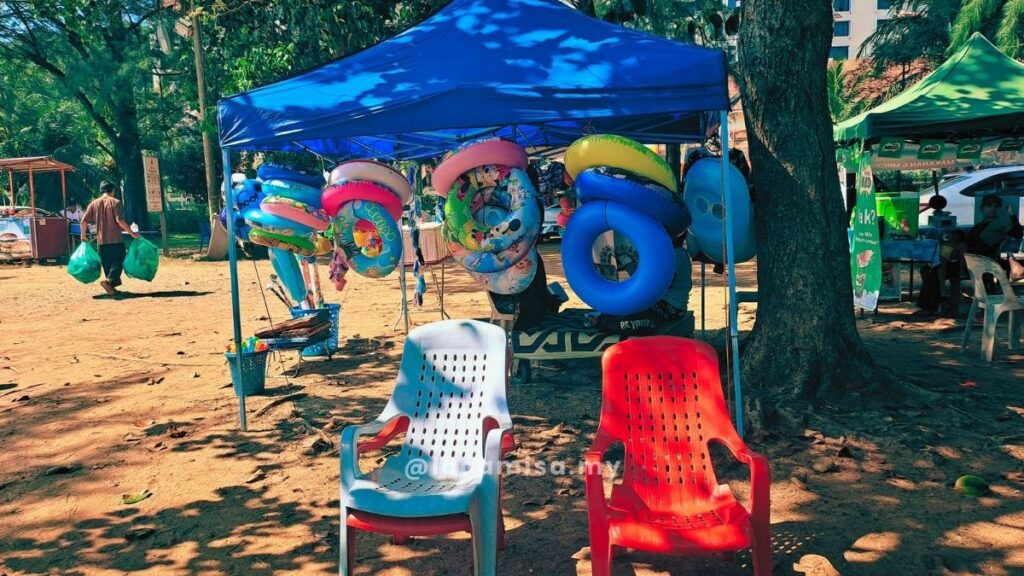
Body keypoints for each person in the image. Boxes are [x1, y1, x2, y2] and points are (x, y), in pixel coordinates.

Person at [80, 181, 139, 296]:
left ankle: (111, 288)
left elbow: (83, 222)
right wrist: (132, 233)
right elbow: (120, 220)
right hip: (115, 240)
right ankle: (108, 282)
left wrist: (83, 236)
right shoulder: (116, 202)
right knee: (119, 261)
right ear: (112, 190)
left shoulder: (93, 204)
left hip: (101, 242)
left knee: (108, 264)